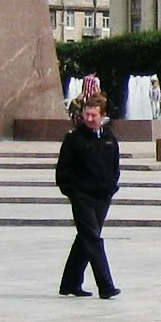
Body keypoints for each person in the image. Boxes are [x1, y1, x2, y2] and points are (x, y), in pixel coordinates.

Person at [54, 95, 121, 298]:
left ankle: (70, 283)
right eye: (86, 114)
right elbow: (62, 172)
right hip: (82, 197)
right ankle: (106, 286)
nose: (89, 118)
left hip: (103, 197)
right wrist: (74, 193)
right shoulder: (74, 139)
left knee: (85, 239)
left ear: (103, 116)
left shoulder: (109, 138)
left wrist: (111, 188)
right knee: (92, 238)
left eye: (93, 115)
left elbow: (115, 168)